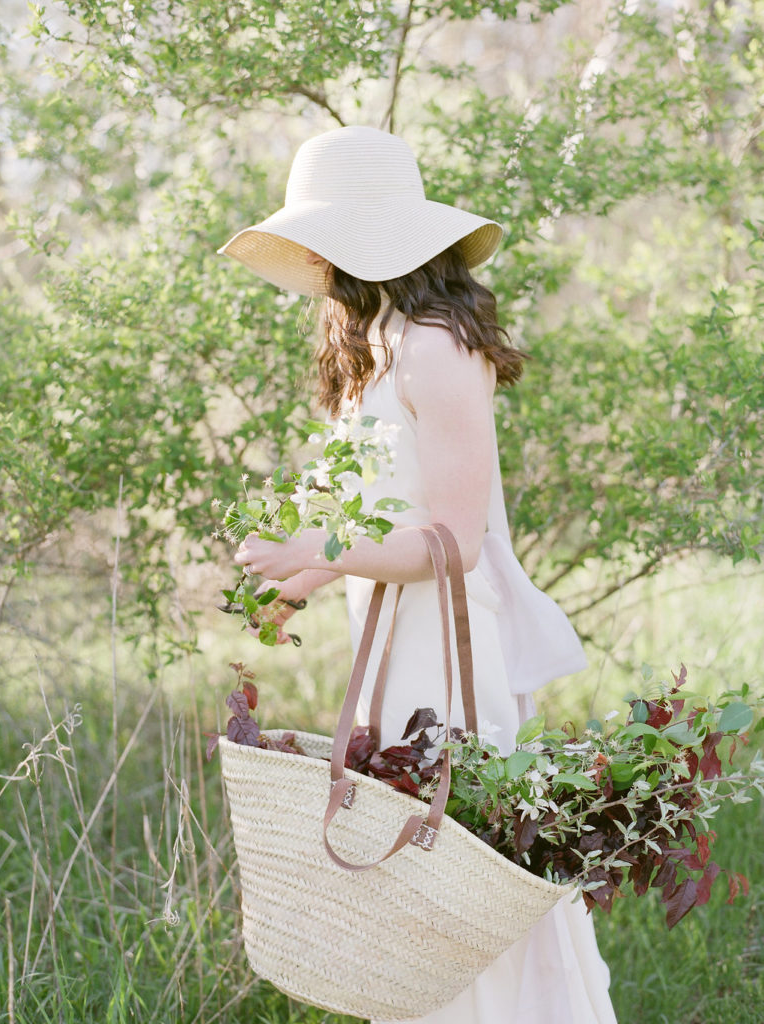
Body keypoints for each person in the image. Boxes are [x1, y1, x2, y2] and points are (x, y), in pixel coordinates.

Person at [220, 125, 617, 1024]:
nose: (312, 259)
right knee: (410, 879)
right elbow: (378, 516)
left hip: (444, 651)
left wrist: (315, 555)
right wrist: (298, 581)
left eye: (321, 237)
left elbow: (452, 541)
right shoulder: (379, 345)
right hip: (393, 637)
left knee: (451, 859)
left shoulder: (437, 346)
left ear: (364, 239)